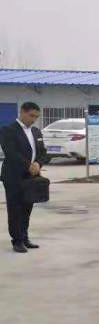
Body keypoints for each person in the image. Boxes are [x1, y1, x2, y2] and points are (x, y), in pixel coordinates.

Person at [1, 102, 47, 253]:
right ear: (22, 112)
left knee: (27, 207)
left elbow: (42, 152)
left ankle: (25, 237)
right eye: (31, 115)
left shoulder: (36, 132)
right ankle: (17, 240)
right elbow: (11, 152)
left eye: (36, 117)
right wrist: (28, 165)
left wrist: (38, 164)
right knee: (15, 208)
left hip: (31, 176)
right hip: (13, 176)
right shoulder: (8, 130)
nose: (33, 119)